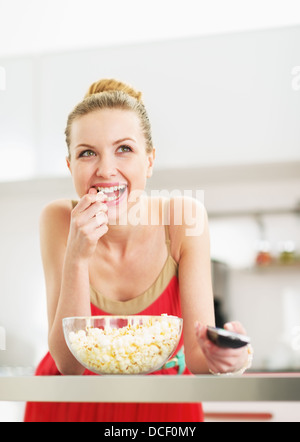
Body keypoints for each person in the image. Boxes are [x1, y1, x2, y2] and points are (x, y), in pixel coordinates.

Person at [24, 79, 252, 422]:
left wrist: (228, 359)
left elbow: (198, 359)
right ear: (71, 166)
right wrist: (77, 255)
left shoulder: (184, 219)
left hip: (163, 407)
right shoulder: (58, 219)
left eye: (124, 149)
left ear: (149, 160)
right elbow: (68, 364)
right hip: (69, 405)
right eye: (87, 153)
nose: (105, 170)